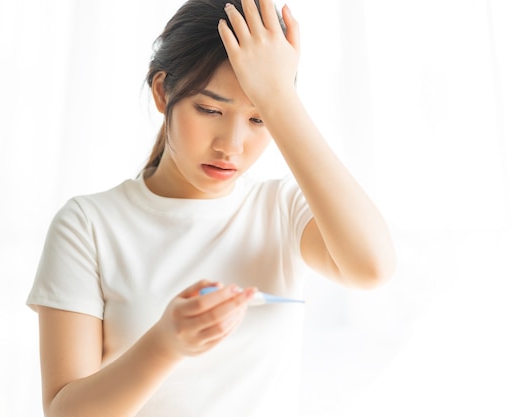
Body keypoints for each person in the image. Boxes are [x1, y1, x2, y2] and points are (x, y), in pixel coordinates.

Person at [26, 0, 397, 416]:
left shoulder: (281, 208)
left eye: (258, 120)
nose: (230, 146)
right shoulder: (88, 226)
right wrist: (166, 343)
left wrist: (279, 96)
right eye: (210, 109)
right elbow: (65, 412)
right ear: (163, 91)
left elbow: (372, 267)